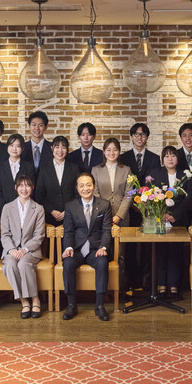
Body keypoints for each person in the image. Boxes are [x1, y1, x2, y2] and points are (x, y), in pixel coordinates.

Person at [61, 173, 113, 321]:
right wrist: (68, 248)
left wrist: (103, 247)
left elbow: (106, 230)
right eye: (82, 185)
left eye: (88, 185)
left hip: (95, 249)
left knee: (102, 263)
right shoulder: (70, 206)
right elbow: (68, 231)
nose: (85, 188)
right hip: (77, 249)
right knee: (68, 263)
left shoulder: (104, 205)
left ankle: (100, 305)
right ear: (77, 188)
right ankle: (71, 305)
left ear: (94, 186)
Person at [150, 146, 192, 298]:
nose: (170, 159)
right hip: (160, 220)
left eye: (173, 155)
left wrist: (175, 215)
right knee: (160, 252)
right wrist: (161, 214)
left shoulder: (185, 175)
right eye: (167, 156)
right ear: (162, 159)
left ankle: (174, 286)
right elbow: (150, 195)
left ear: (178, 158)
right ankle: (161, 286)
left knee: (175, 253)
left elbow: (189, 197)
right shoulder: (155, 173)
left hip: (179, 220)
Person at [120, 123, 160, 290]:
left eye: (143, 134)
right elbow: (123, 184)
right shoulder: (123, 157)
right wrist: (133, 203)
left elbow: (155, 183)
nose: (139, 137)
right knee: (129, 245)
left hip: (148, 210)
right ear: (131, 136)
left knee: (147, 245)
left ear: (147, 137)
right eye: (136, 134)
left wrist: (145, 204)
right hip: (129, 209)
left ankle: (146, 280)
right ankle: (132, 280)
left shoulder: (154, 158)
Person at [0, 174, 46, 319]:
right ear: (16, 187)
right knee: (9, 265)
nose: (24, 189)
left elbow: (39, 235)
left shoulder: (38, 209)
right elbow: (5, 234)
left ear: (32, 188)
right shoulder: (7, 208)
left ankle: (35, 299)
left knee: (23, 264)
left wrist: (25, 249)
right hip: (11, 250)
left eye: (27, 185)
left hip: (31, 250)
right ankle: (24, 301)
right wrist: (12, 250)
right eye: (21, 185)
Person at [92, 138, 132, 291]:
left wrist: (119, 215)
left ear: (119, 151)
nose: (111, 153)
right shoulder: (96, 170)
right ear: (103, 152)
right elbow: (95, 193)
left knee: (120, 254)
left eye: (115, 149)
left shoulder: (126, 170)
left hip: (122, 218)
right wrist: (107, 216)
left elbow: (129, 194)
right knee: (104, 251)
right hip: (102, 218)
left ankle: (119, 288)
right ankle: (105, 288)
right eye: (108, 150)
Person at [34, 136, 80, 226]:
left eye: (63, 147)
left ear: (67, 149)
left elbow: (78, 193)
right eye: (57, 147)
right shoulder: (44, 169)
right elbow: (39, 195)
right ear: (52, 148)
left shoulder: (74, 168)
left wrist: (68, 211)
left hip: (70, 216)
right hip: (48, 217)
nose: (60, 151)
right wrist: (51, 211)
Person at [0, 133, 36, 216]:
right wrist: (5, 207)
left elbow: (32, 189)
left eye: (18, 146)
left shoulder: (29, 166)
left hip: (25, 210)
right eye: (12, 145)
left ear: (22, 148)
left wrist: (23, 207)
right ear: (7, 147)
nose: (14, 149)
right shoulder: (0, 167)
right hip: (4, 210)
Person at [21, 111, 52, 176]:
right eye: (34, 125)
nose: (37, 128)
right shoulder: (22, 148)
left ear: (46, 127)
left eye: (40, 125)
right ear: (29, 126)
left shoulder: (52, 148)